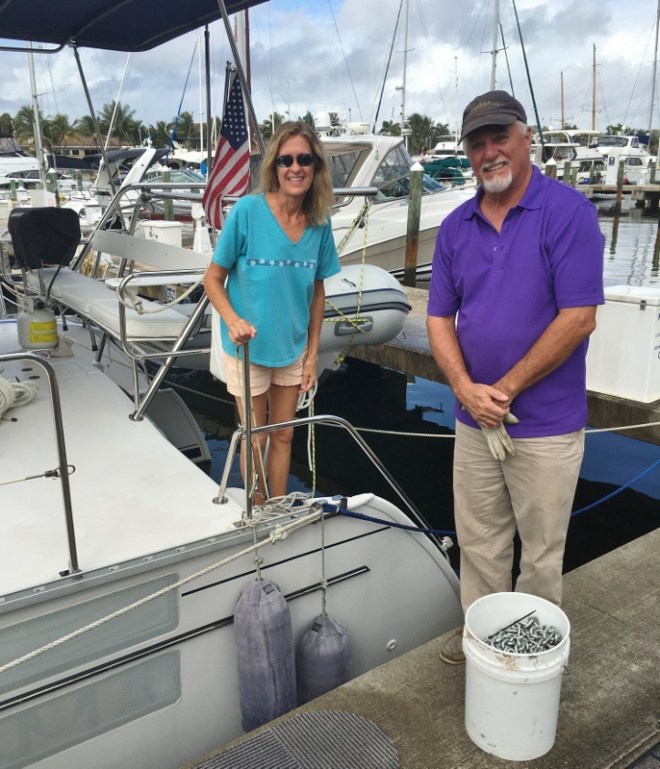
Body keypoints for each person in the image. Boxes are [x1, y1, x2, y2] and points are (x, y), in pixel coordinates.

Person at [426, 90, 604, 663]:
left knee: (542, 552)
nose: (488, 151)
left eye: (499, 137)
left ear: (527, 138)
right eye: (477, 142)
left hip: (545, 423)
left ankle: (527, 657)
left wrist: (501, 391)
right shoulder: (455, 226)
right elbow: (437, 317)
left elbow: (578, 318)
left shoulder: (568, 212)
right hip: (473, 419)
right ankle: (481, 639)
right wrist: (463, 388)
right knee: (479, 543)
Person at [204, 120, 341, 504]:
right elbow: (213, 279)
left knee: (283, 434)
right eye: (286, 160)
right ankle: (257, 506)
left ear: (316, 167)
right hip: (248, 349)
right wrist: (233, 320)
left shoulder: (319, 223)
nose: (295, 168)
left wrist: (312, 355)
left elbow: (317, 292)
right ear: (275, 167)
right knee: (255, 435)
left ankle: (277, 507)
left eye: (304, 159)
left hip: (292, 349)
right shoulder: (248, 211)